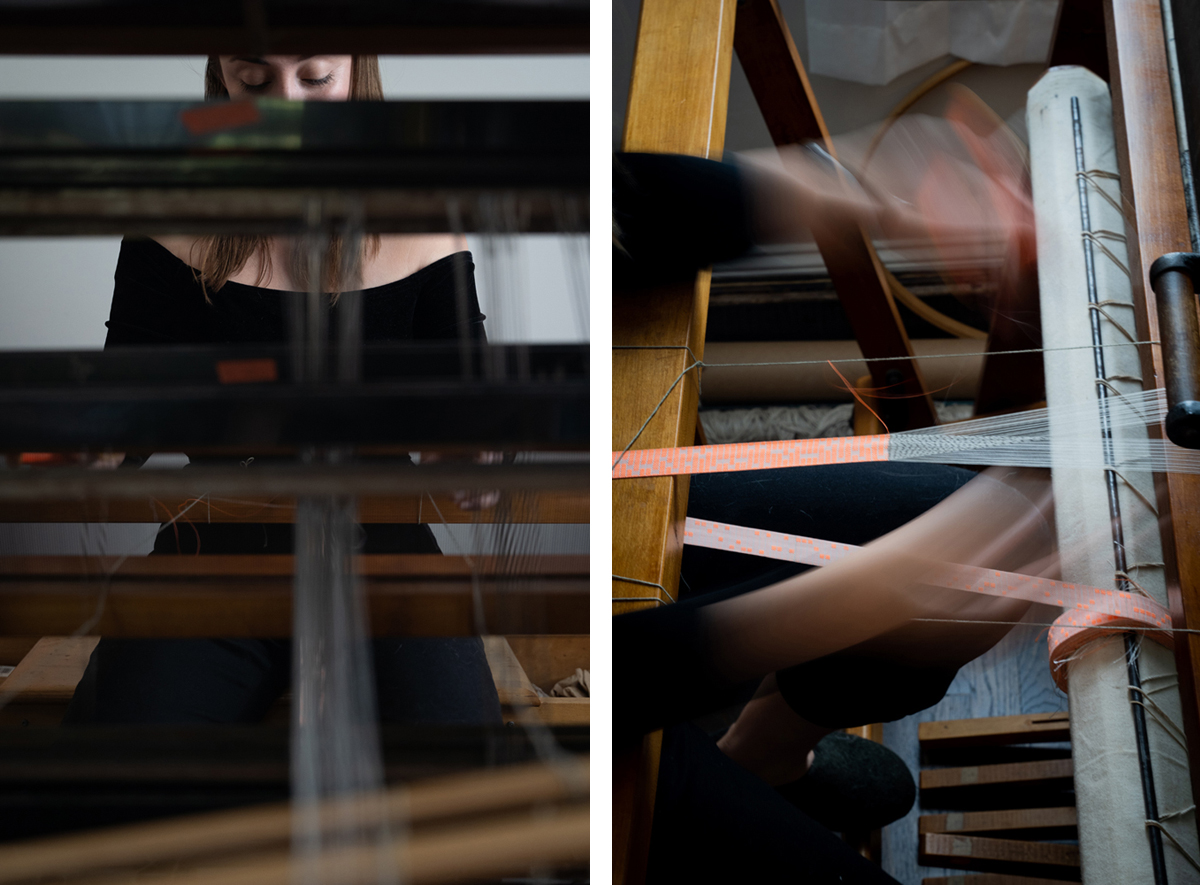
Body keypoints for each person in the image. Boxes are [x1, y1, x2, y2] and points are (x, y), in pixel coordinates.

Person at [65, 55, 502, 726]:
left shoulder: (424, 217)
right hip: (210, 554)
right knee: (123, 783)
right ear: (220, 71)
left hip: (383, 555)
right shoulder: (169, 216)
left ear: (356, 70)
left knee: (461, 778)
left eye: (315, 78)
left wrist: (475, 461)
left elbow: (468, 429)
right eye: (253, 78)